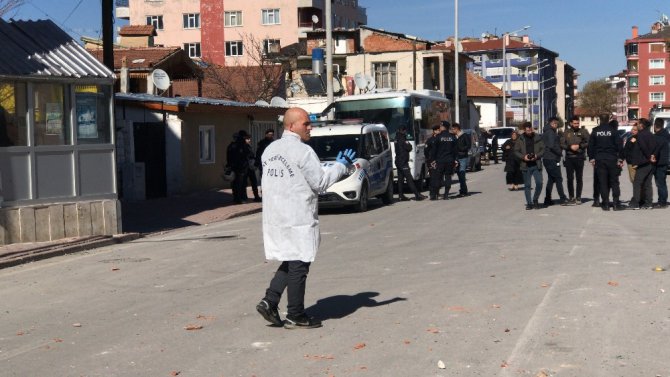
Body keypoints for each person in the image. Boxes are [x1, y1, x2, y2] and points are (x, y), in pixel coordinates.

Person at [256, 107, 355, 329]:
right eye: (306, 124)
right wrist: (340, 166)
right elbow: (320, 183)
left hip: (276, 215)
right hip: (297, 215)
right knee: (300, 263)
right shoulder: (303, 151)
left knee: (291, 259)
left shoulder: (270, 150)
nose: (310, 128)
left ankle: (270, 301)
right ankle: (295, 315)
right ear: (291, 126)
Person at [587, 117, 624, 211]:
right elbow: (619, 145)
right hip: (612, 159)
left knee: (603, 182)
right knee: (614, 182)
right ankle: (616, 203)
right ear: (608, 120)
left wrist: (591, 158)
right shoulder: (614, 131)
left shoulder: (595, 131)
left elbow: (590, 145)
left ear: (600, 119)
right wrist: (620, 158)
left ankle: (606, 204)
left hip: (600, 159)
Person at [514, 122, 544, 210]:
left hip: (536, 164)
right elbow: (516, 151)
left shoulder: (538, 137)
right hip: (525, 165)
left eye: (530, 130)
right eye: (527, 130)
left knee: (539, 183)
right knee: (527, 185)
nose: (529, 132)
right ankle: (529, 203)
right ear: (524, 130)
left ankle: (535, 199)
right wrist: (524, 157)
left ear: (532, 129)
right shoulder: (520, 139)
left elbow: (543, 149)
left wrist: (537, 156)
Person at [628, 118, 657, 209]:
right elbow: (656, 146)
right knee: (648, 183)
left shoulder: (641, 135)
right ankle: (649, 203)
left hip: (643, 162)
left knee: (637, 183)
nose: (637, 125)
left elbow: (643, 148)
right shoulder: (651, 135)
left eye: (638, 124)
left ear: (641, 125)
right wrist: (653, 155)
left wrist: (649, 157)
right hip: (650, 163)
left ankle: (636, 203)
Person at [560, 116, 590, 204]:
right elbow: (562, 144)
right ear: (571, 124)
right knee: (570, 178)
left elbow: (588, 141)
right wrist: (570, 147)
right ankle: (571, 196)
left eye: (578, 123)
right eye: (575, 123)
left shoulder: (583, 131)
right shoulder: (566, 132)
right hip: (569, 158)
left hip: (579, 157)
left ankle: (578, 197)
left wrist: (580, 146)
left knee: (579, 178)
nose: (577, 125)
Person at [542, 117, 568, 206]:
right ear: (552, 123)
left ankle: (547, 199)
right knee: (558, 178)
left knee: (551, 179)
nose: (557, 126)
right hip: (551, 158)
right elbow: (552, 145)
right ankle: (562, 198)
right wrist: (560, 152)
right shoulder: (550, 133)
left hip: (549, 158)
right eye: (556, 124)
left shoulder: (549, 131)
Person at [395, 127, 426, 201]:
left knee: (400, 179)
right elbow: (409, 148)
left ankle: (400, 195)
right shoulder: (403, 139)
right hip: (403, 162)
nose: (405, 132)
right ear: (403, 131)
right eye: (405, 130)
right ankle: (417, 195)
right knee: (409, 179)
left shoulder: (396, 139)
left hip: (398, 161)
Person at [429, 121, 457, 200]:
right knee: (448, 177)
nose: (440, 128)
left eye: (441, 126)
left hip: (440, 160)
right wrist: (455, 160)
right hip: (450, 160)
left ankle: (435, 195)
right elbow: (455, 150)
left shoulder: (438, 137)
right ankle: (446, 195)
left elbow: (434, 150)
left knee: (438, 177)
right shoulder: (453, 137)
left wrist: (432, 160)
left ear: (443, 127)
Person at [226, 130, 251, 204]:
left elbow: (228, 157)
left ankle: (237, 198)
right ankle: (239, 198)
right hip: (240, 168)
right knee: (240, 184)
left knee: (236, 183)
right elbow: (245, 155)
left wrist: (230, 165)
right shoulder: (241, 145)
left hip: (235, 167)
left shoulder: (232, 145)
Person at [652, 118, 669, 208]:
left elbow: (655, 150)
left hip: (659, 162)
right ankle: (663, 201)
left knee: (660, 183)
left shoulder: (657, 136)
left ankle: (662, 202)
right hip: (665, 161)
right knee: (662, 182)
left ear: (655, 125)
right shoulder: (667, 134)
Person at [452, 123, 470, 197]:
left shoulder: (465, 135)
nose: (452, 130)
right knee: (459, 174)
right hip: (456, 158)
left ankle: (464, 191)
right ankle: (462, 190)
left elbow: (468, 145)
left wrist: (461, 149)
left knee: (462, 174)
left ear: (456, 129)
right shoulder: (454, 137)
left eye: (453, 129)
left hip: (463, 157)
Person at [244, 134, 261, 202]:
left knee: (254, 182)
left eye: (250, 139)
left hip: (250, 167)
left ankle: (256, 196)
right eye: (247, 139)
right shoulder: (243, 147)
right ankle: (244, 196)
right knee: (244, 183)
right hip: (245, 167)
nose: (249, 140)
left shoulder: (248, 147)